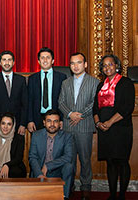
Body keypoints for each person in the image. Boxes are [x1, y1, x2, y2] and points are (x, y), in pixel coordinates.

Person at [93, 55, 135, 200]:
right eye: (104, 66)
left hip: (120, 128)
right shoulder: (100, 85)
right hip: (104, 129)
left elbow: (127, 107)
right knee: (110, 162)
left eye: (110, 64)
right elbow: (95, 108)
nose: (107, 68)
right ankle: (112, 195)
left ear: (116, 66)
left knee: (122, 161)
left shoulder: (126, 83)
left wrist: (110, 122)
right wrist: (98, 123)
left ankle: (122, 195)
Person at [58, 52, 99, 199]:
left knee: (85, 159)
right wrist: (70, 114)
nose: (75, 66)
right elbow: (60, 102)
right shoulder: (65, 82)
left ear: (85, 64)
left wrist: (80, 115)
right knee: (68, 159)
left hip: (84, 126)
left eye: (79, 62)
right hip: (68, 126)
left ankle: (86, 187)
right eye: (72, 63)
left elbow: (94, 103)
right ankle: (69, 186)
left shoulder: (94, 82)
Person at [29, 109, 73, 200]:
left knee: (69, 166)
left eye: (55, 121)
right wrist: (39, 174)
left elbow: (68, 157)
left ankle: (64, 196)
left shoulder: (67, 136)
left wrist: (48, 166)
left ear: (60, 123)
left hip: (58, 172)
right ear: (44, 122)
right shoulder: (36, 135)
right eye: (49, 121)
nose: (52, 124)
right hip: (40, 171)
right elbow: (32, 157)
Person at [28, 47, 67, 132]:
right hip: (37, 118)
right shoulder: (32, 78)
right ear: (38, 61)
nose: (45, 60)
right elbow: (30, 100)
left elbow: (64, 100)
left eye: (48, 57)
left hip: (56, 118)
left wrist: (61, 119)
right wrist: (30, 120)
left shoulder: (61, 77)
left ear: (53, 61)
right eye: (42, 58)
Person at [0, 51, 28, 135]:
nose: (7, 63)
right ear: (0, 62)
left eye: (9, 60)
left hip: (17, 125)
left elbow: (25, 104)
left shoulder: (21, 80)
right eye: (4, 60)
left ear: (13, 62)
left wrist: (23, 124)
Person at [0, 113, 26, 178]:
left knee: (14, 171)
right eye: (3, 123)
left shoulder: (19, 138)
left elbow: (18, 158)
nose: (5, 127)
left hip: (13, 169)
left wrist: (6, 165)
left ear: (13, 125)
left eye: (9, 124)